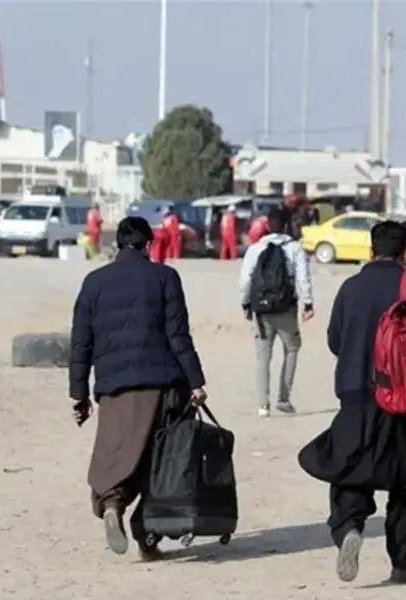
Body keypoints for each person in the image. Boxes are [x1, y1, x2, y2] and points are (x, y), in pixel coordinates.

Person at [298, 221, 406, 585]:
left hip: (356, 394)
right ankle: (402, 562)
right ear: (404, 251)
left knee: (350, 469)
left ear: (370, 250)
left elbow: (336, 340)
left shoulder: (350, 288)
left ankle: (349, 527)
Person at [69, 216, 207, 561]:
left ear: (118, 244)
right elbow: (178, 336)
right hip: (162, 384)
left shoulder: (94, 282)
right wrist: (196, 381)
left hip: (114, 386)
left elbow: (81, 343)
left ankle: (113, 503)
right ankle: (147, 537)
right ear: (148, 245)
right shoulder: (165, 277)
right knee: (159, 461)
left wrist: (79, 395)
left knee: (118, 450)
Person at [239, 208, 314, 416]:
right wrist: (307, 303)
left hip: (262, 310)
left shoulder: (256, 248)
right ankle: (283, 397)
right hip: (286, 307)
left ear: (267, 226)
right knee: (292, 349)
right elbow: (303, 278)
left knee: (263, 356)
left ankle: (263, 404)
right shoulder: (295, 248)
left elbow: (245, 279)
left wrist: (245, 304)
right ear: (287, 225)